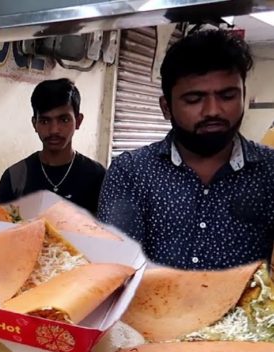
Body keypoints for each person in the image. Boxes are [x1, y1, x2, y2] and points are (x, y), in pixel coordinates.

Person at [98, 29, 274, 270]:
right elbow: (114, 268)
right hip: (151, 306)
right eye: (194, 99)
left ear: (243, 95)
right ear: (166, 107)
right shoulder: (131, 172)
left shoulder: (269, 172)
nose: (213, 110)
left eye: (227, 96)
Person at [0, 78, 105, 215]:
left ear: (78, 121)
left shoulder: (97, 176)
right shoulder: (15, 177)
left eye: (64, 120)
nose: (54, 130)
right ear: (34, 124)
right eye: (45, 121)